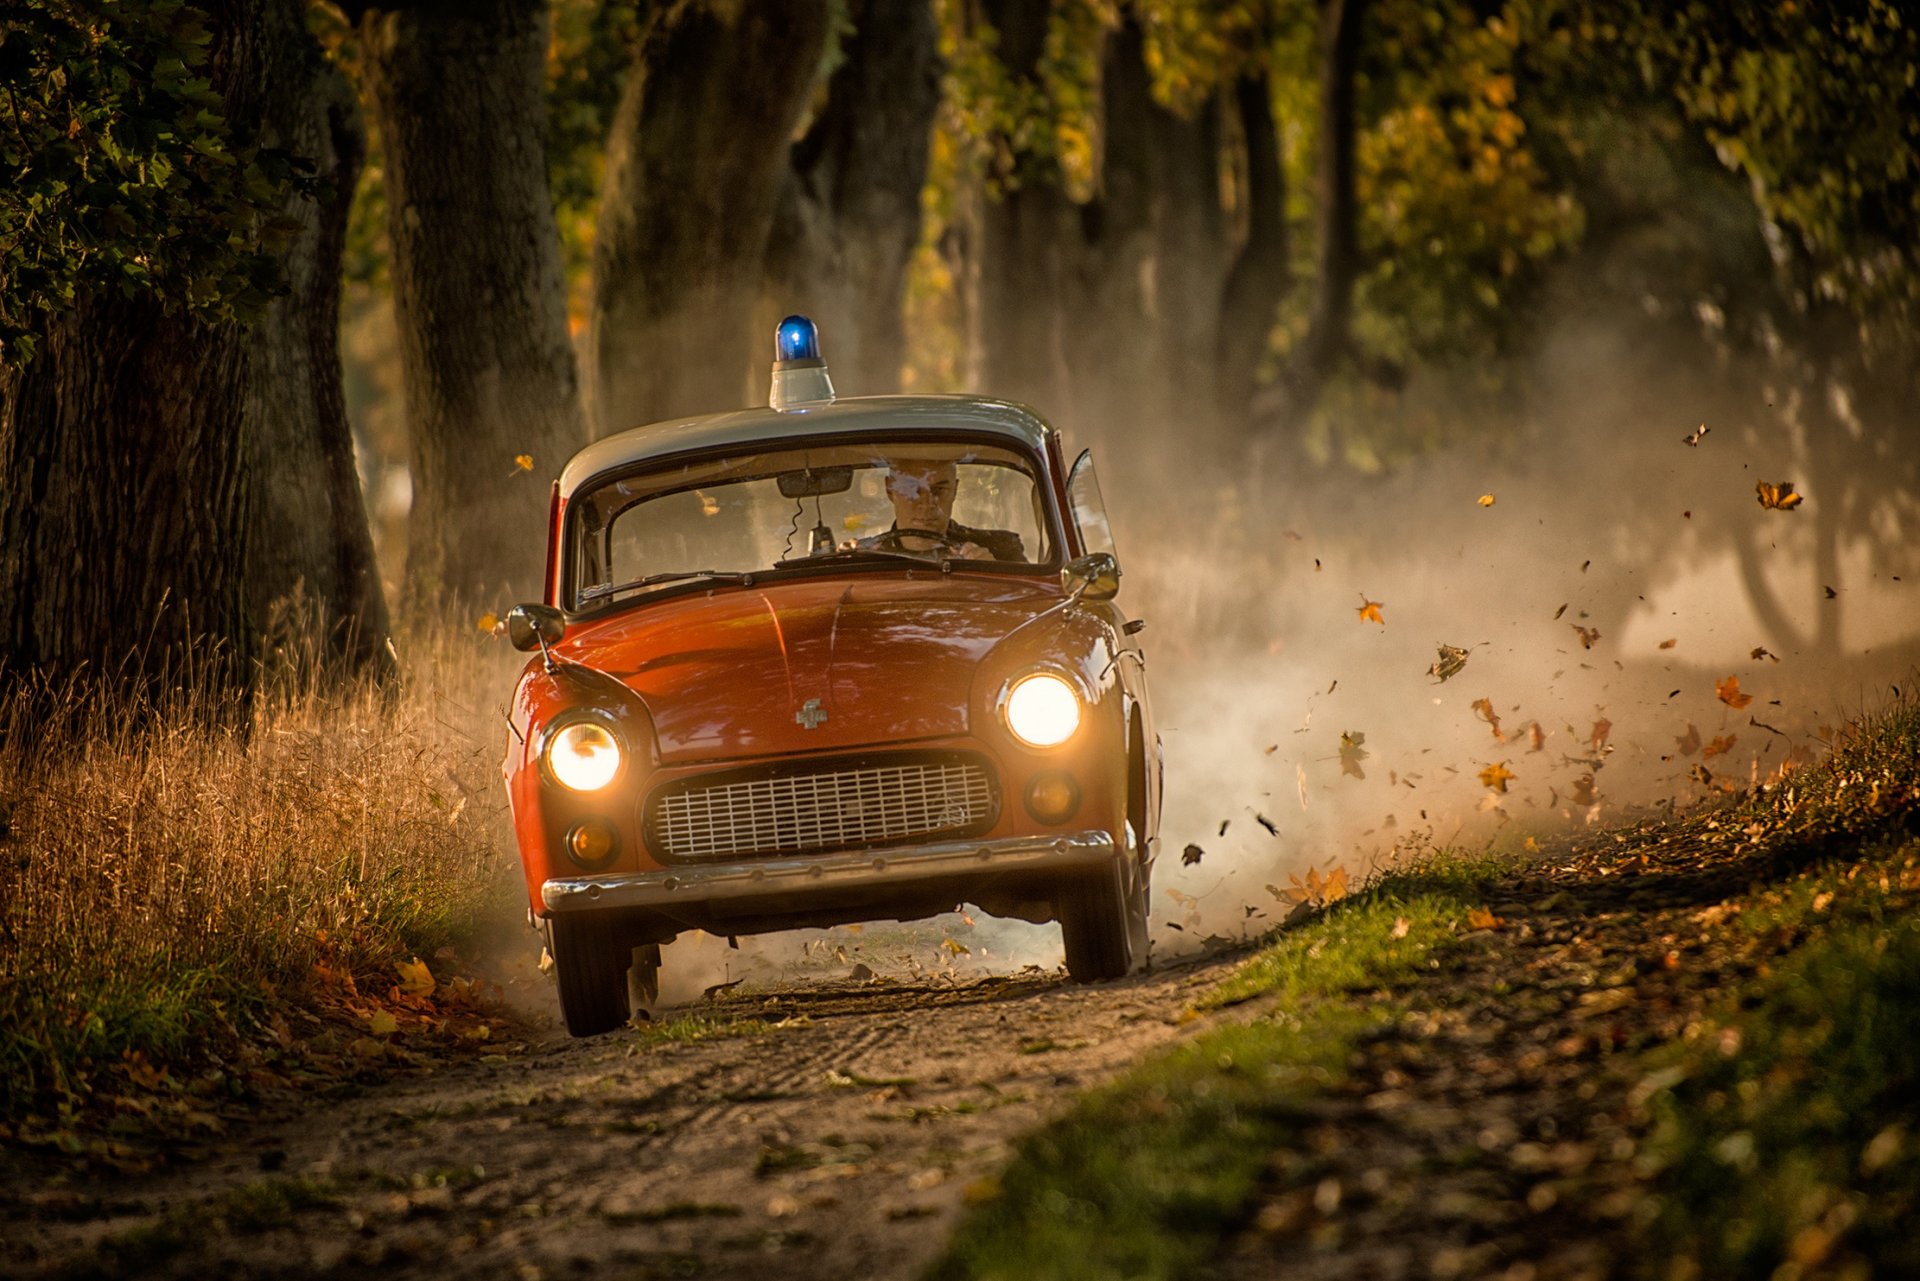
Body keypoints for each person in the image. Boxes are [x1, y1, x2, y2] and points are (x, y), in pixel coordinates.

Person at [861, 458, 1025, 562]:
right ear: (890, 490)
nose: (927, 503)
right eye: (911, 489)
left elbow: (1031, 605)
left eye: (939, 490)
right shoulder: (863, 558)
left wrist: (992, 575)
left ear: (954, 490)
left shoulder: (1001, 550)